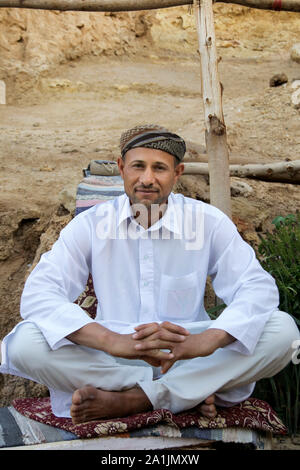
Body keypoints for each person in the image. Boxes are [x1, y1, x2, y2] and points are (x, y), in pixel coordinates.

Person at [0, 124, 299, 425]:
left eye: (160, 168)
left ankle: (135, 399)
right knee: (24, 343)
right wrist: (112, 341)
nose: (147, 179)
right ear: (121, 168)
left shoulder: (207, 222)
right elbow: (40, 295)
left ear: (177, 173)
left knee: (283, 332)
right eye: (138, 166)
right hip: (113, 357)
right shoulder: (91, 224)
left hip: (188, 357)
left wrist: (208, 340)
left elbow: (257, 288)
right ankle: (181, 394)